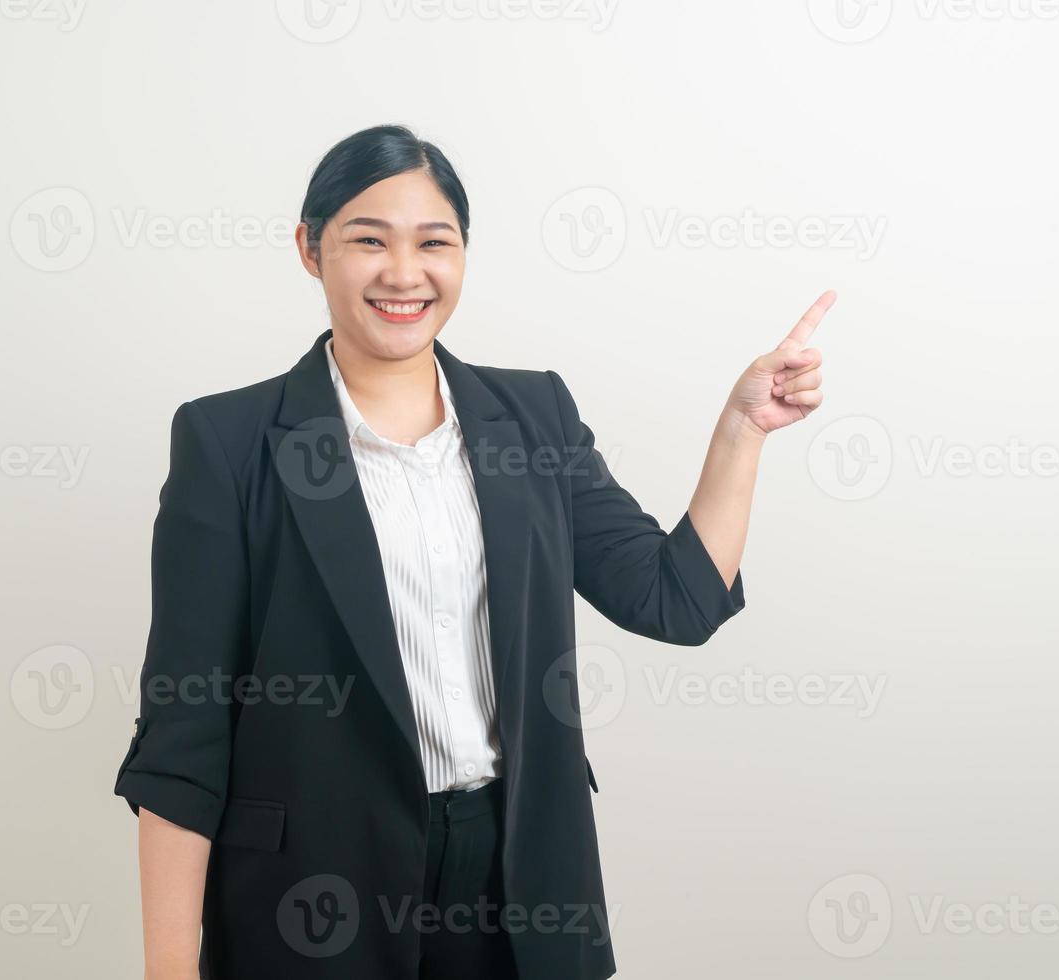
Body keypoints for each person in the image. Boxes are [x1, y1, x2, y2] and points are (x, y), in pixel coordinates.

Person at [115, 123, 833, 980]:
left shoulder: (532, 418)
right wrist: (168, 966)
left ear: (463, 255)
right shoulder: (228, 441)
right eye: (367, 240)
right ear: (310, 249)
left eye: (434, 243)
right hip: (311, 887)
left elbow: (672, 601)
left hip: (520, 873)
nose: (404, 273)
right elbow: (183, 731)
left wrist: (741, 430)